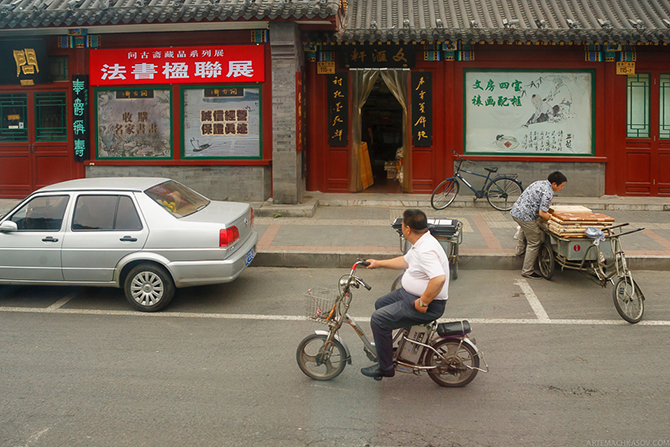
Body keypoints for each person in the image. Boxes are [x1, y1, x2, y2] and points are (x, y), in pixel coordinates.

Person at [362, 209, 450, 379]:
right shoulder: (421, 242)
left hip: (427, 304)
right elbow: (405, 261)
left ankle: (385, 368)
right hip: (408, 294)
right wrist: (378, 263)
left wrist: (423, 302)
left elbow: (439, 279)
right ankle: (390, 348)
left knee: (379, 319)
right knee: (381, 304)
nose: (401, 226)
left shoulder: (426, 250)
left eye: (402, 224)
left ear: (408, 228)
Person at [511, 171, 567, 279]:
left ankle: (519, 251)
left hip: (516, 211)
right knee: (534, 241)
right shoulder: (548, 192)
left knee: (526, 229)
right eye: (562, 186)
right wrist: (552, 219)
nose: (562, 188)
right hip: (526, 216)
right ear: (554, 184)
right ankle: (527, 271)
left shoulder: (539, 183)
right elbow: (542, 213)